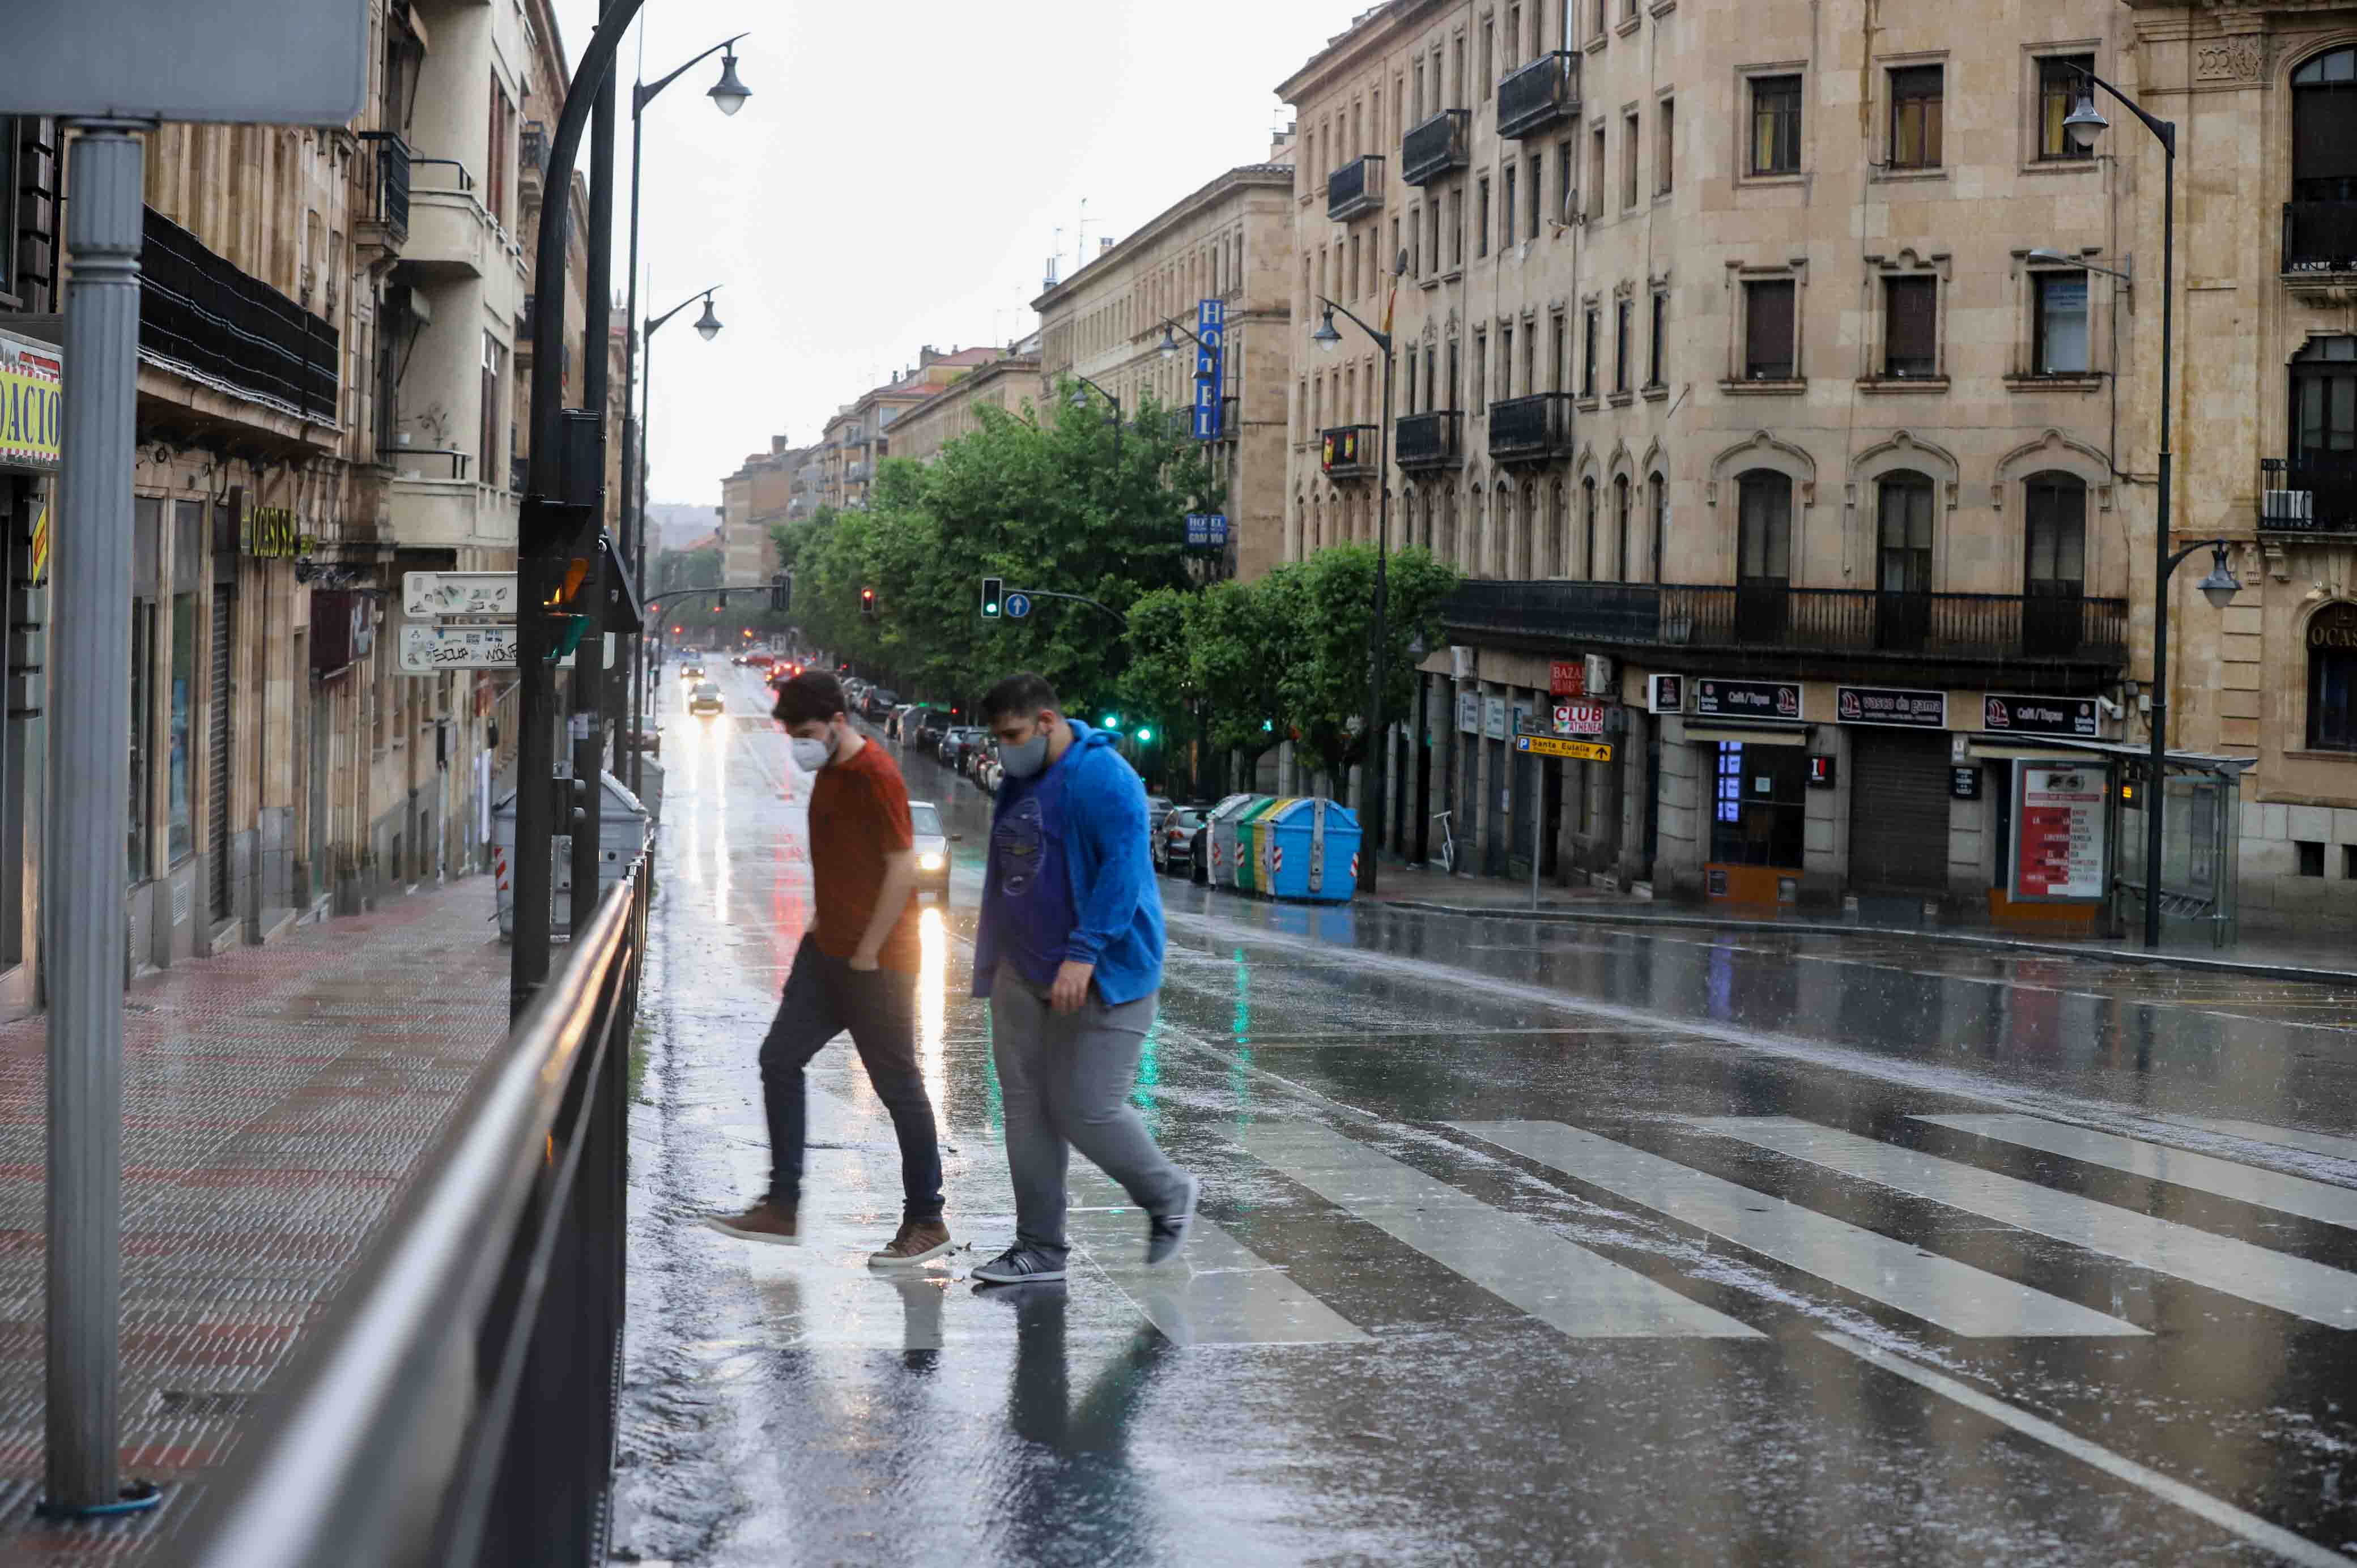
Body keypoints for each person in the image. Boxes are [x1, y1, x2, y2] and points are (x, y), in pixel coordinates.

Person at [705, 670, 952, 1267]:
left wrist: (868, 948)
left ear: (838, 721)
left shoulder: (877, 774)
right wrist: (821, 922)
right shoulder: (827, 772)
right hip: (827, 952)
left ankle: (927, 1217)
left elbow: (900, 868)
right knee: (778, 1058)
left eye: (807, 731)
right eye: (791, 732)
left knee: (898, 1087)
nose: (798, 743)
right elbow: (845, 856)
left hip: (878, 961)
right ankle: (781, 1205)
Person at [968, 671, 1199, 1286]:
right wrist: (993, 957)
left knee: (1084, 1106)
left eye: (1012, 734)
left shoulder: (1105, 778)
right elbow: (1009, 863)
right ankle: (1039, 1248)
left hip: (1103, 972)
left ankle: (1167, 1193)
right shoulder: (1020, 776)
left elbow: (1123, 872)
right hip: (1021, 966)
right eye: (996, 739)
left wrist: (1084, 952)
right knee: (1025, 1109)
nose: (1003, 750)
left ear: (1046, 721)